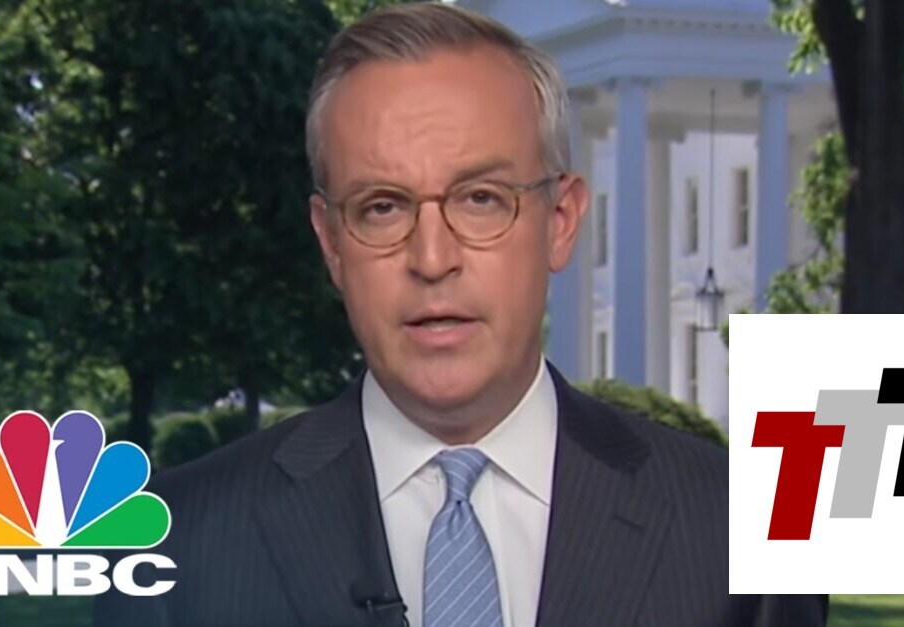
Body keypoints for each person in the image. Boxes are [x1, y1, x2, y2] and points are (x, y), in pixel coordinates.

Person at [94, 3, 829, 626]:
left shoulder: (745, 531)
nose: (432, 256)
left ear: (561, 222)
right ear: (331, 243)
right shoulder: (176, 546)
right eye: (382, 207)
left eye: (481, 199)